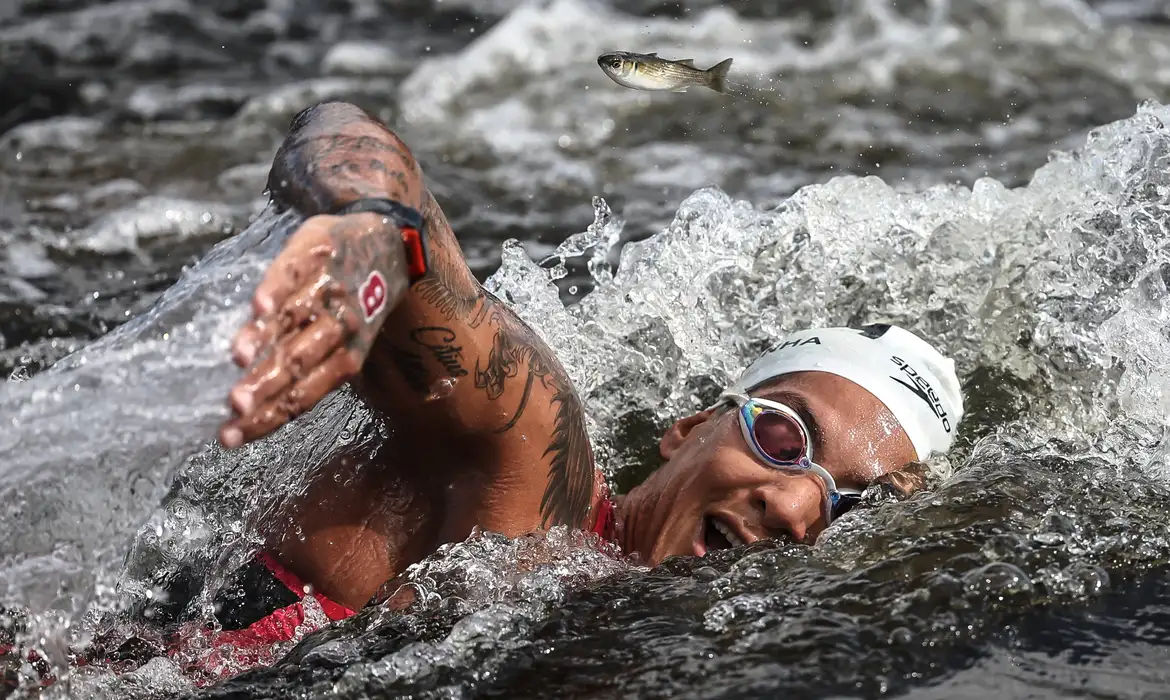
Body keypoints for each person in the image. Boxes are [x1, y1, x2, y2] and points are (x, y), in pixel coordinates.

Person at [0, 101, 966, 686]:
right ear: (685, 430)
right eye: (786, 438)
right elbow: (360, 141)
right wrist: (373, 230)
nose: (799, 504)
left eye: (850, 503)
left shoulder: (657, 645)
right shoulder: (529, 464)